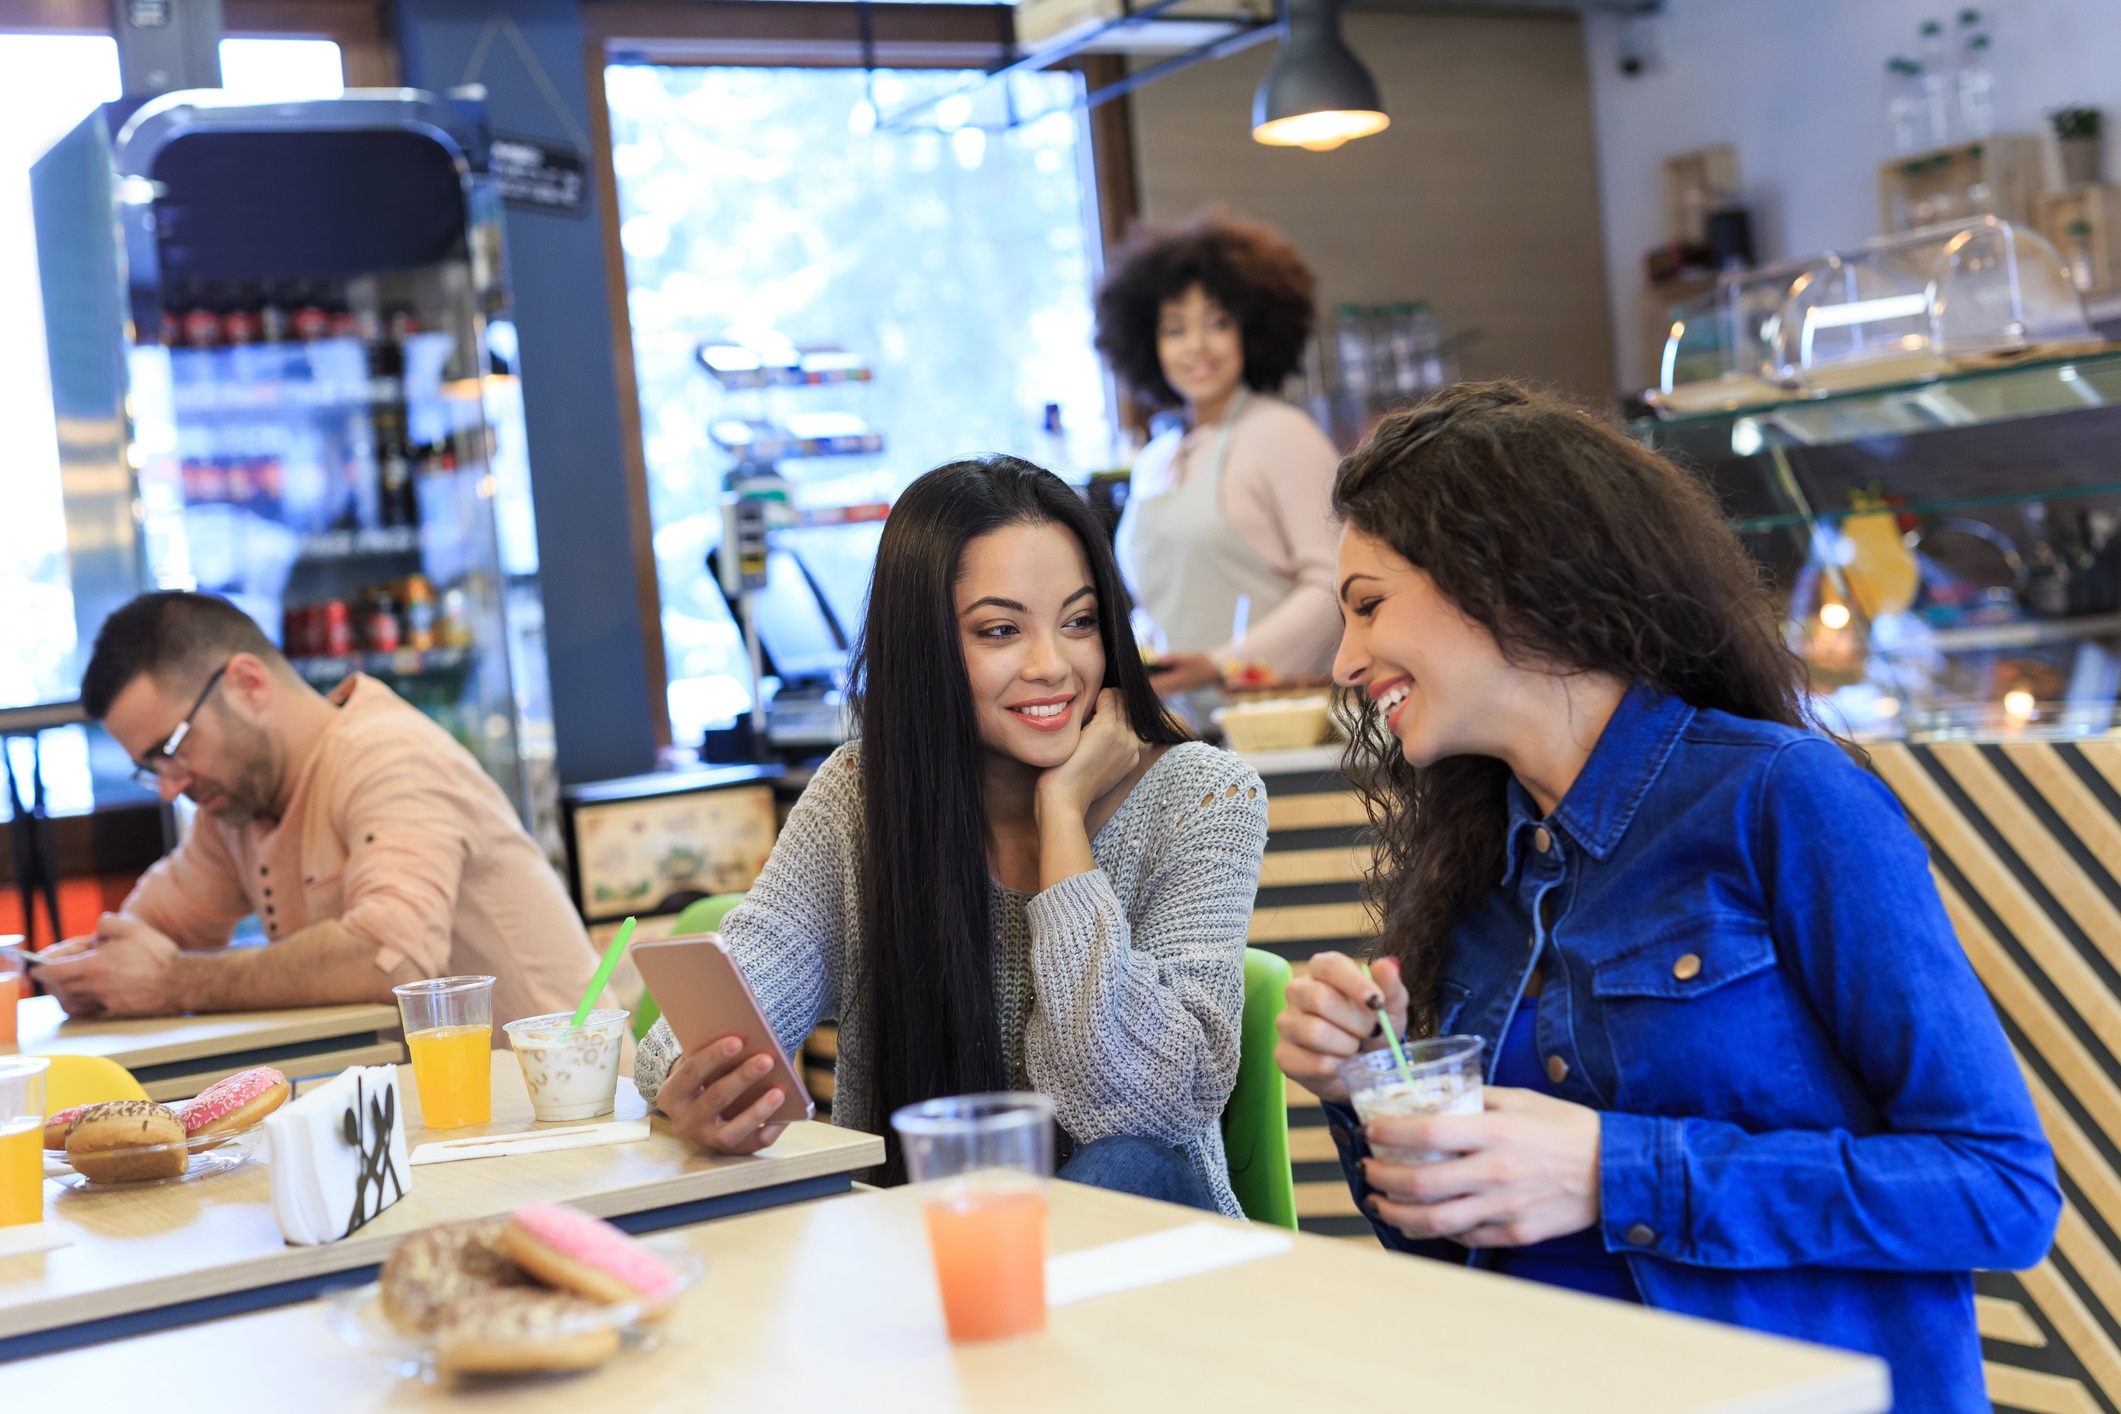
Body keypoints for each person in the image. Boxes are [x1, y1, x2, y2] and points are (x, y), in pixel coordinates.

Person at [1273, 383, 2058, 1410]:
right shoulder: (1476, 863)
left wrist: (1613, 1171)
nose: (1343, 660)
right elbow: (1444, 1244)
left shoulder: (1785, 799)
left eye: (1369, 603)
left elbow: (1999, 1190)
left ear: (1498, 572)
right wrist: (1366, 1087)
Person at [635, 456, 1267, 1214]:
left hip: (1144, 1266)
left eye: (1079, 621)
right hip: (924, 1261)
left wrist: (1061, 819)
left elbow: (1139, 1112)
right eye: (1001, 630)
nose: (1053, 666)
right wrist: (700, 1090)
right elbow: (699, 1027)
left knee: (1125, 1163)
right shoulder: (861, 798)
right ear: (924, 644)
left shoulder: (1201, 795)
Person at [37, 591, 603, 1032]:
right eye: (152, 767)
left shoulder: (391, 755)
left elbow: (390, 962)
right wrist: (94, 972)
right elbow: (152, 929)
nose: (169, 787)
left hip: (562, 1120)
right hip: (432, 1132)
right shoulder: (235, 805)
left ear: (248, 684)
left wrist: (171, 982)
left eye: (173, 749)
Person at [1095, 213, 1341, 701]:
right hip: (1178, 729)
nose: (1197, 347)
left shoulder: (1284, 434)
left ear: (1251, 331)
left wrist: (1220, 664)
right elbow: (1160, 603)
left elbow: (1335, 584)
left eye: (1218, 322)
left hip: (1277, 716)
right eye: (1174, 329)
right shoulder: (1153, 459)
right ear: (1148, 343)